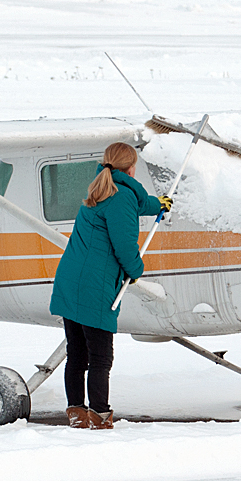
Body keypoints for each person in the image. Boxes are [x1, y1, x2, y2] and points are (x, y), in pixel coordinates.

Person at [49, 142, 172, 430]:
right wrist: (137, 270)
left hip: (71, 281)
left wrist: (157, 204)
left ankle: (77, 414)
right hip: (96, 286)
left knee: (77, 354)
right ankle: (101, 418)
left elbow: (137, 202)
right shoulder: (122, 198)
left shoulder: (101, 187)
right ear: (132, 168)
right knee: (101, 357)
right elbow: (125, 246)